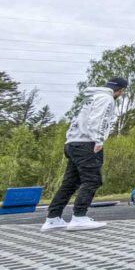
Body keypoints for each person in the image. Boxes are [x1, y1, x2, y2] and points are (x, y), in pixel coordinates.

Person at [41, 77, 129, 231]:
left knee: (70, 183)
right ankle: (79, 217)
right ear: (121, 90)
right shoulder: (106, 99)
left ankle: (53, 218)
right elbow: (98, 119)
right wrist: (99, 140)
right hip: (87, 143)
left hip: (72, 142)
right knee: (92, 180)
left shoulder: (91, 98)